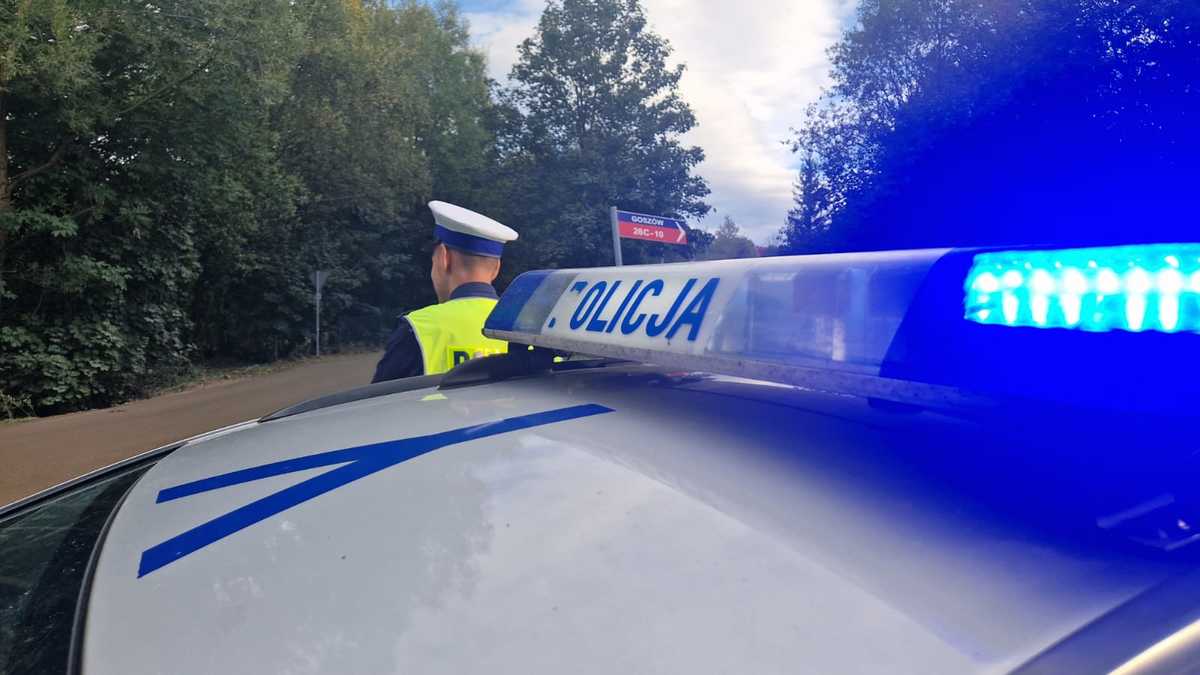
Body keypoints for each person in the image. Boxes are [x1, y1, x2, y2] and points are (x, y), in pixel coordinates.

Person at [371, 201, 518, 383]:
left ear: (443, 257)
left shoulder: (418, 328)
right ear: (496, 268)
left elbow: (379, 399)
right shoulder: (528, 330)